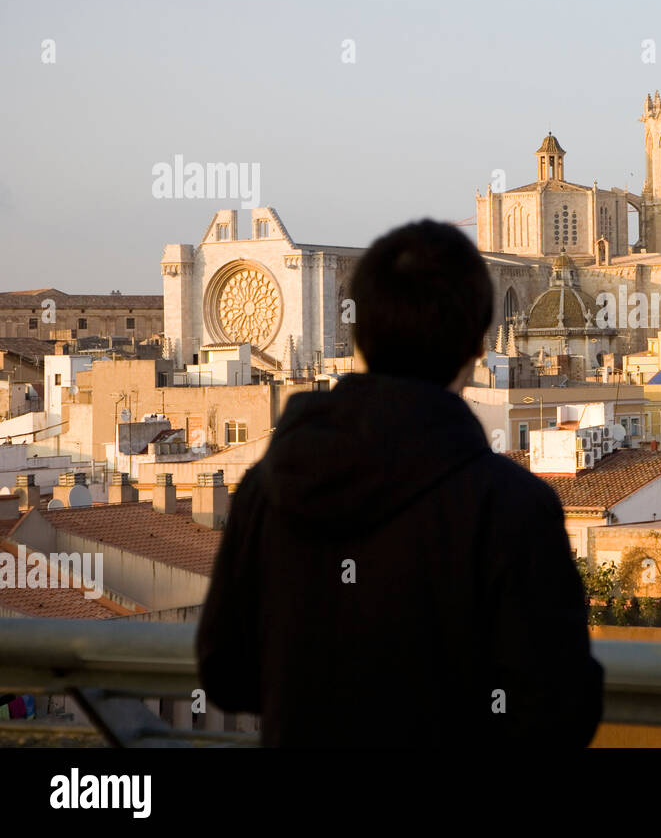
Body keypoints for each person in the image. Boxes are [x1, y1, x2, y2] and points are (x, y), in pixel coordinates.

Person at [197, 219, 604, 747]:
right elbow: (562, 707)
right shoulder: (512, 506)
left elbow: (226, 673)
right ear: (481, 345)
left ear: (358, 330)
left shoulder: (267, 487)